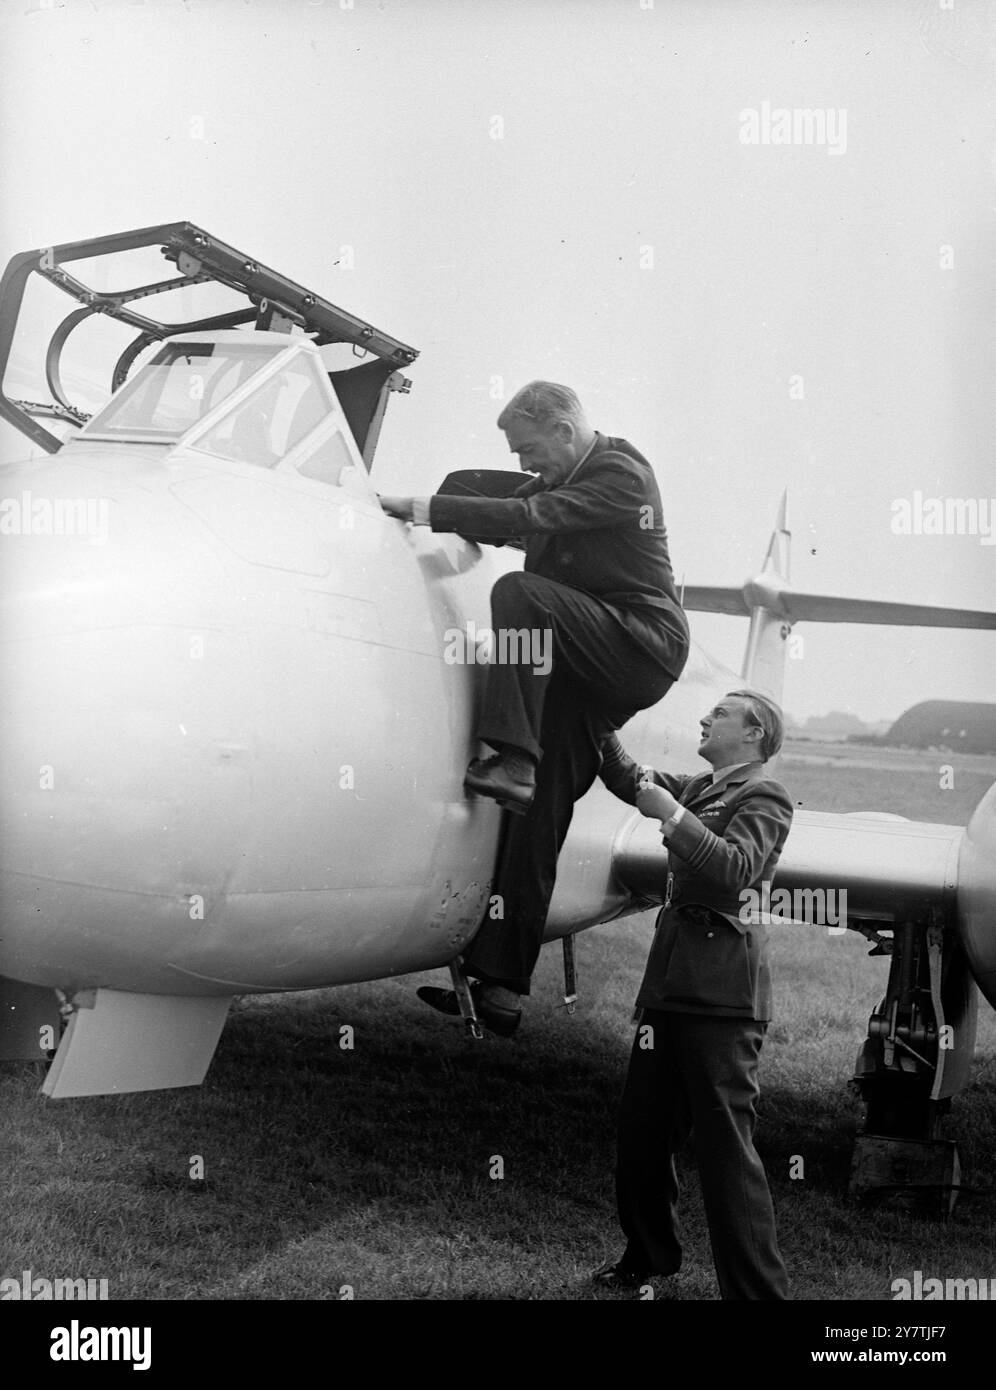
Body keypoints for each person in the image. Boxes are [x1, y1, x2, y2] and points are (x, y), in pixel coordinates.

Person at [378, 381, 689, 1035]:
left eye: (528, 450)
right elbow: (504, 505)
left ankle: (513, 756)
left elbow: (532, 515)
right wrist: (436, 509)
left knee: (522, 594)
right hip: (582, 669)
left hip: (640, 647)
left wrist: (411, 504)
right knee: (537, 818)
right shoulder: (559, 486)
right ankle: (502, 990)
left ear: (566, 433)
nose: (524, 465)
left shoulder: (619, 472)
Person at [592, 689, 792, 1300]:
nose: (705, 719)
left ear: (754, 734)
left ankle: (758, 1296)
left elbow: (737, 869)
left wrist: (670, 817)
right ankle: (649, 1258)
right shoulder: (703, 786)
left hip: (722, 1000)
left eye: (721, 715)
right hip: (672, 989)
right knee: (642, 1131)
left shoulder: (764, 795)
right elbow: (632, 779)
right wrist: (591, 712)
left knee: (725, 1151)